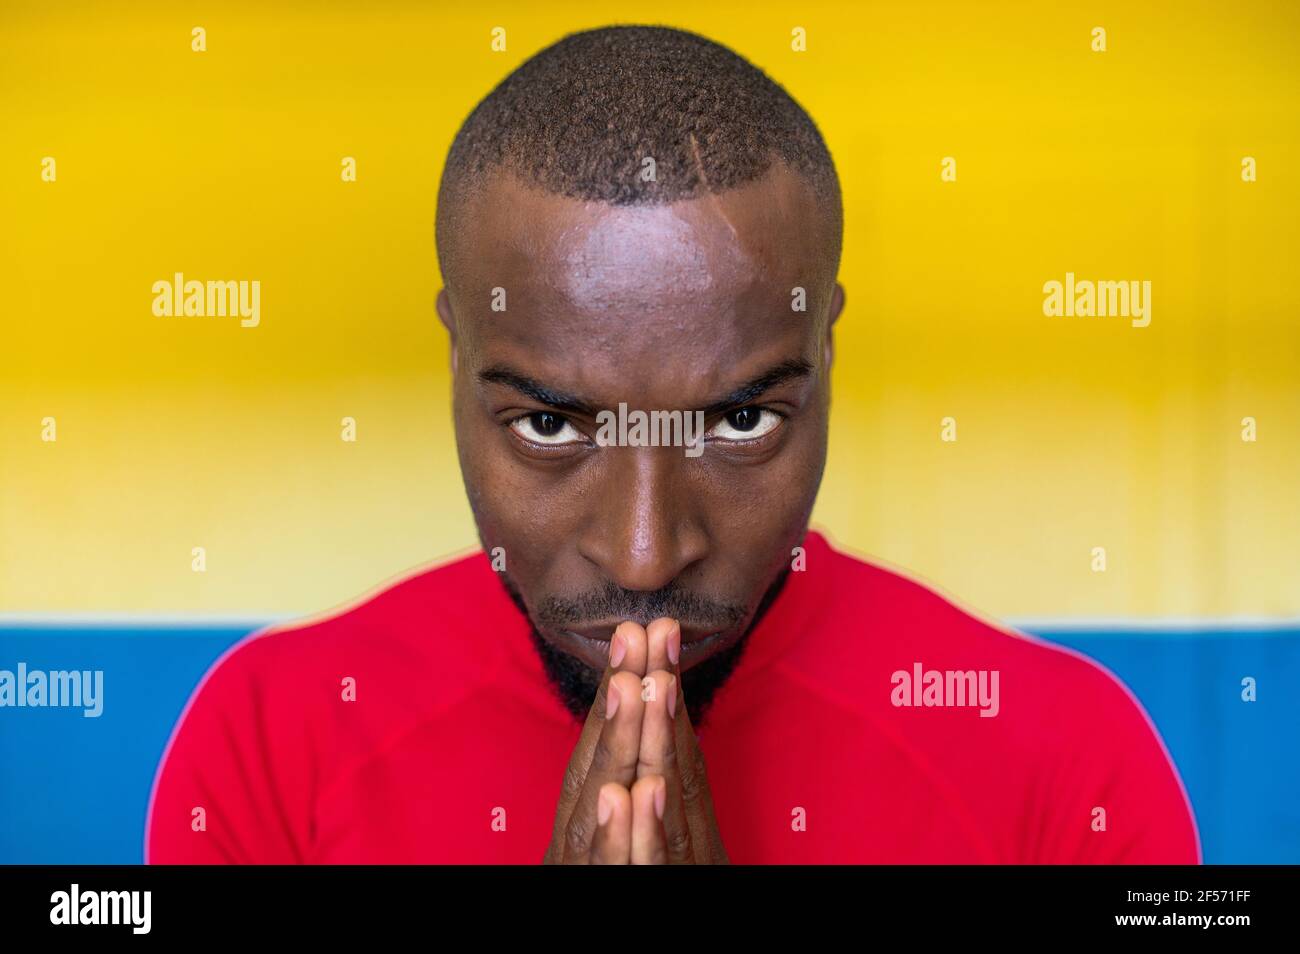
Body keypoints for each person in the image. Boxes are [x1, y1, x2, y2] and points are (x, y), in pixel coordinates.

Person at [147, 25, 1199, 864]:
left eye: (739, 421)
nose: (647, 558)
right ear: (456, 356)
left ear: (823, 351)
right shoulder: (268, 748)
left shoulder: (1067, 770)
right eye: (551, 426)